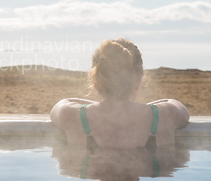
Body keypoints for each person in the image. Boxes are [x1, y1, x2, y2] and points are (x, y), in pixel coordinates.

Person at [50, 38, 189, 148]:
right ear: (138, 80)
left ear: (95, 81)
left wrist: (102, 106)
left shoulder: (70, 115)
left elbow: (63, 103)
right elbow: (171, 102)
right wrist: (143, 108)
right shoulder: (167, 114)